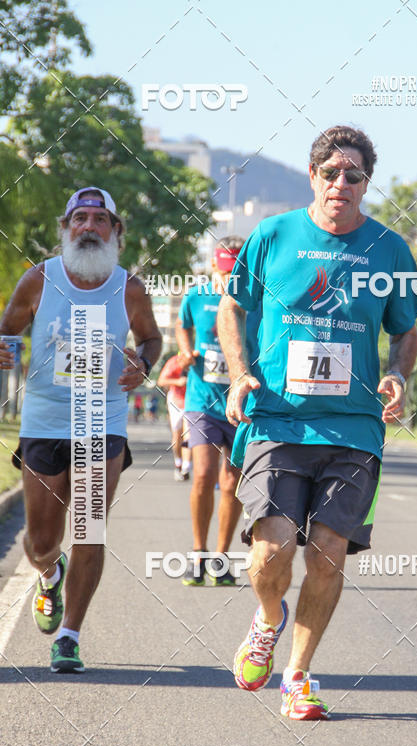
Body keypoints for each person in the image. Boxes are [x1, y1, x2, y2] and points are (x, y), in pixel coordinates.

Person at [218, 125, 417, 720]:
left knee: (328, 552)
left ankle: (299, 675)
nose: (341, 184)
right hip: (278, 420)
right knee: (270, 553)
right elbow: (235, 305)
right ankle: (267, 616)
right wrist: (239, 372)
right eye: (330, 173)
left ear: (366, 184)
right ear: (313, 177)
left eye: (353, 175)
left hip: (354, 427)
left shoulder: (389, 249)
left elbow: (405, 327)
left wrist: (399, 375)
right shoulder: (273, 234)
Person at [0, 186, 161, 672]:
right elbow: (7, 332)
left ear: (116, 233)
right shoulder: (37, 280)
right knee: (40, 539)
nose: (88, 227)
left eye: (99, 219)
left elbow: (151, 338)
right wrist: (5, 347)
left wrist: (143, 362)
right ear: (65, 229)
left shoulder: (129, 288)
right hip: (45, 418)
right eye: (80, 218)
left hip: (102, 418)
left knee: (90, 528)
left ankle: (69, 634)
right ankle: (49, 572)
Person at [176, 236, 246, 587]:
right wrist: (187, 351)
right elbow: (181, 326)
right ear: (214, 266)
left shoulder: (254, 299)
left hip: (241, 404)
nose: (228, 279)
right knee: (203, 474)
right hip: (202, 401)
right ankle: (198, 553)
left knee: (232, 482)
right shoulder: (197, 295)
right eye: (224, 271)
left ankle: (220, 558)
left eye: (235, 271)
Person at [157, 353, 192, 481]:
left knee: (189, 434)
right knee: (177, 435)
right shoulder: (173, 362)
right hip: (175, 401)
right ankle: (178, 462)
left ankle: (186, 468)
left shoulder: (197, 361)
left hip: (191, 402)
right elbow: (161, 381)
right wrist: (178, 381)